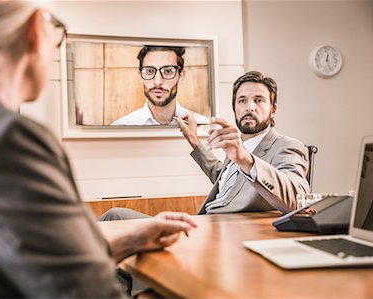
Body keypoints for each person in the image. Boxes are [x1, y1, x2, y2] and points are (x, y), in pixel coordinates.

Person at [0, 1, 197, 298]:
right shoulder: (8, 140)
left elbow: (31, 261)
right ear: (36, 31)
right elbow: (83, 289)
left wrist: (133, 240)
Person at [100, 71, 310, 221]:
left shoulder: (286, 147)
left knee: (114, 217)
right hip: (201, 224)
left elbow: (298, 200)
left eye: (259, 100)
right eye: (242, 101)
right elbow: (224, 179)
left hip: (224, 234)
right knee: (115, 218)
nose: (250, 107)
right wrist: (194, 141)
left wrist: (244, 158)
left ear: (273, 109)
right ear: (235, 108)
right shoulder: (236, 147)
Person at [111, 45, 209, 126]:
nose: (157, 82)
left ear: (181, 76)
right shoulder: (122, 126)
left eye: (168, 71)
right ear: (140, 76)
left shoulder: (202, 125)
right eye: (149, 71)